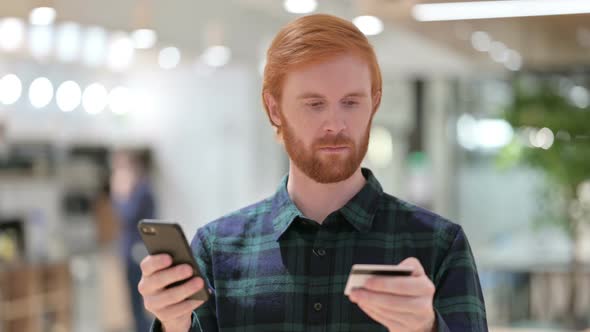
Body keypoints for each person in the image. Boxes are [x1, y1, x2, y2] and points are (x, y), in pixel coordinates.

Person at [138, 14, 488, 332]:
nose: (335, 124)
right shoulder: (217, 250)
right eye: (314, 104)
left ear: (374, 103)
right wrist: (172, 323)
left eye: (351, 102)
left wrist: (426, 328)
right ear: (274, 109)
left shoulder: (439, 245)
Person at [110, 149, 155, 332]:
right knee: (134, 305)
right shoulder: (138, 189)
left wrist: (119, 196)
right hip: (129, 252)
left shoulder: (142, 190)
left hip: (138, 253)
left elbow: (128, 215)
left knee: (140, 304)